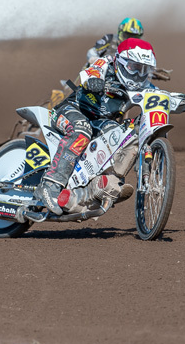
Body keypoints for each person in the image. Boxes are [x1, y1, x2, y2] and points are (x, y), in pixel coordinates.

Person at [34, 37, 157, 215]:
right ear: (121, 62)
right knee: (82, 131)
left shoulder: (145, 85)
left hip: (101, 121)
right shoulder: (105, 63)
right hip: (72, 110)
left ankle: (97, 188)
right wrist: (93, 80)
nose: (138, 74)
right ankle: (50, 185)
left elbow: (159, 96)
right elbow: (91, 72)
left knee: (125, 137)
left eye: (143, 69)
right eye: (134, 67)